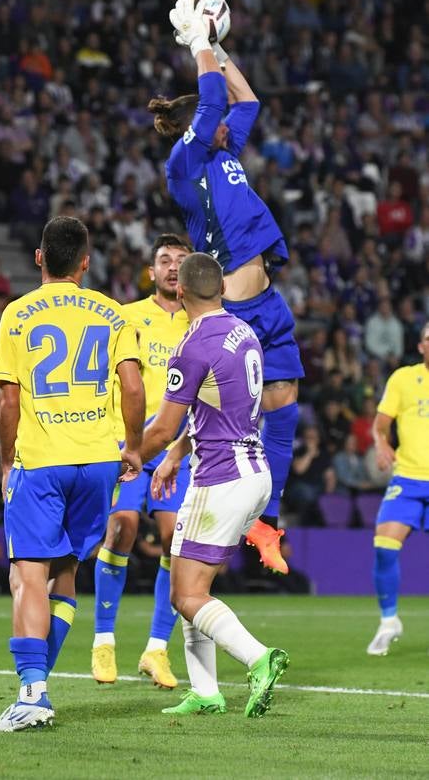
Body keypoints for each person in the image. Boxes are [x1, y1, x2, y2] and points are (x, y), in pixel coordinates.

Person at [147, 0, 303, 573]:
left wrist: (221, 44)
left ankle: (267, 526)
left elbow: (248, 98)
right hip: (234, 308)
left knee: (285, 403)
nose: (223, 125)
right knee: (229, 417)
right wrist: (200, 43)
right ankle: (206, 512)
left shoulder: (225, 150)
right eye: (211, 122)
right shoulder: (183, 165)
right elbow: (214, 97)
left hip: (269, 299)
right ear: (197, 127)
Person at [0, 216, 145, 733]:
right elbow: (135, 389)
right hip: (99, 460)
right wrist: (135, 448)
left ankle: (33, 692)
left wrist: (8, 459)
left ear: (38, 258)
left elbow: (9, 398)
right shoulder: (111, 311)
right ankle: (34, 688)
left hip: (44, 458)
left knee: (26, 575)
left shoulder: (18, 313)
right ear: (85, 263)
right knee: (67, 570)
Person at [139, 253, 289, 718]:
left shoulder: (193, 345)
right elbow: (214, 408)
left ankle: (258, 658)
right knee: (190, 585)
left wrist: (128, 459)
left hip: (219, 478)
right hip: (252, 470)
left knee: (186, 594)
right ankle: (205, 690)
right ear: (222, 288)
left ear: (180, 293)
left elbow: (162, 426)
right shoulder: (244, 332)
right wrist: (174, 457)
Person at [91, 233, 192, 688]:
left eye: (181, 261)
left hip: (178, 450)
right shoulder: (125, 318)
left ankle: (156, 649)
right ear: (151, 272)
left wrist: (180, 448)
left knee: (176, 541)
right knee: (123, 527)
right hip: (131, 447)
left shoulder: (203, 322)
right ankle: (103, 641)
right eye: (165, 261)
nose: (173, 267)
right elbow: (110, 384)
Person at [366, 320, 429, 656]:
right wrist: (380, 444)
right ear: (420, 346)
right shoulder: (404, 379)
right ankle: (389, 621)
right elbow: (381, 425)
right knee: (384, 546)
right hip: (407, 478)